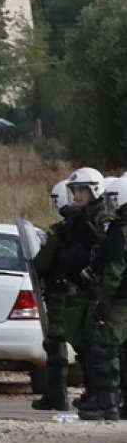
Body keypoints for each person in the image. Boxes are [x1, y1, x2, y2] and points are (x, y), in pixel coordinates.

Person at [31, 177, 96, 412]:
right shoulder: (86, 224)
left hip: (61, 291)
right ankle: (93, 393)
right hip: (79, 290)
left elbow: (43, 261)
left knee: (56, 342)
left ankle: (57, 395)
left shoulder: (63, 230)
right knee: (83, 344)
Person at [76, 171, 125, 421]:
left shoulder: (119, 232)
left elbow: (114, 273)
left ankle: (107, 404)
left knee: (103, 348)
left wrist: (103, 304)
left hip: (118, 301)